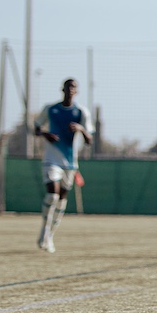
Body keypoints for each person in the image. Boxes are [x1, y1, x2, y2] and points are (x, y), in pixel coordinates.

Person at [33, 78, 94, 253]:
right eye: (68, 87)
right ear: (63, 89)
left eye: (73, 87)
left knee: (61, 201)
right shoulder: (50, 109)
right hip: (51, 160)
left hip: (70, 163)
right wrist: (46, 134)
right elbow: (36, 128)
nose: (70, 90)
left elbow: (89, 140)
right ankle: (44, 231)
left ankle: (50, 236)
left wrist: (81, 129)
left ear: (77, 91)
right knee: (52, 195)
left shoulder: (81, 112)